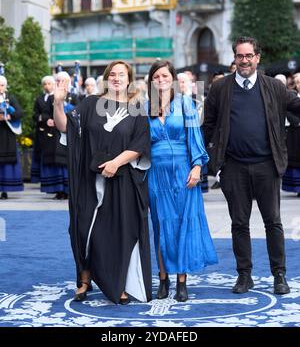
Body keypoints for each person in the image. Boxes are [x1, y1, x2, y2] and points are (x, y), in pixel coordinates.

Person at [203, 36, 300, 296]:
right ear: (234, 58)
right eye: (239, 56)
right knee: (239, 224)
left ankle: (279, 275)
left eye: (249, 56)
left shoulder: (274, 87)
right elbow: (208, 127)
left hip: (267, 166)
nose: (244, 60)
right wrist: (214, 162)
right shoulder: (220, 88)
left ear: (257, 58)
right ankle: (244, 275)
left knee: (274, 223)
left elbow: (297, 107)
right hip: (233, 167)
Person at [53, 60, 152, 305]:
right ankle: (84, 279)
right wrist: (58, 102)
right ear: (106, 78)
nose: (117, 78)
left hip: (122, 181)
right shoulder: (90, 104)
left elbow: (140, 145)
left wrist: (116, 162)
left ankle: (117, 283)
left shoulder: (136, 108)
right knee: (83, 227)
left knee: (117, 232)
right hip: (90, 179)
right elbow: (66, 127)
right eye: (113, 74)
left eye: (122, 74)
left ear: (129, 79)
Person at [147, 60, 217, 302]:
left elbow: (195, 138)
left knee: (182, 226)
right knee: (161, 227)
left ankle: (181, 281)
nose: (161, 80)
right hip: (156, 175)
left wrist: (197, 167)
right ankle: (163, 278)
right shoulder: (145, 107)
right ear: (151, 81)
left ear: (173, 79)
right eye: (156, 77)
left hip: (184, 173)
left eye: (165, 76)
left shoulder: (185, 103)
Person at [0, 75, 23, 199]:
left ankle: (5, 190)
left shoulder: (10, 98)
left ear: (6, 86)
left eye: (2, 85)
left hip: (8, 134)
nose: (0, 87)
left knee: (6, 162)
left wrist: (9, 116)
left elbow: (20, 112)